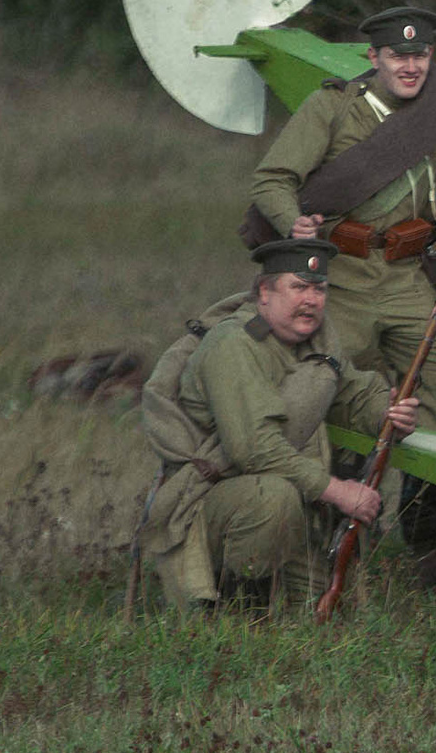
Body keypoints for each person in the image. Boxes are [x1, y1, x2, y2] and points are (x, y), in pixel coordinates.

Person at [246, 4, 436, 546]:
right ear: (373, 57)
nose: (410, 66)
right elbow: (272, 179)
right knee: (324, 383)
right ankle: (336, 507)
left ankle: (424, 510)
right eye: (398, 55)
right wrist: (295, 224)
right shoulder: (334, 107)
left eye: (420, 54)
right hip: (342, 278)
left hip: (408, 281)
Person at [137, 239, 420, 612]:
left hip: (283, 496)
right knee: (272, 498)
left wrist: (387, 413)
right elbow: (253, 449)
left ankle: (270, 597)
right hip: (209, 499)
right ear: (264, 293)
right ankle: (237, 606)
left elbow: (352, 391)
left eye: (319, 289)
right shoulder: (234, 345)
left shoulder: (314, 341)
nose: (311, 300)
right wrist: (338, 491)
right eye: (298, 287)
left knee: (319, 608)